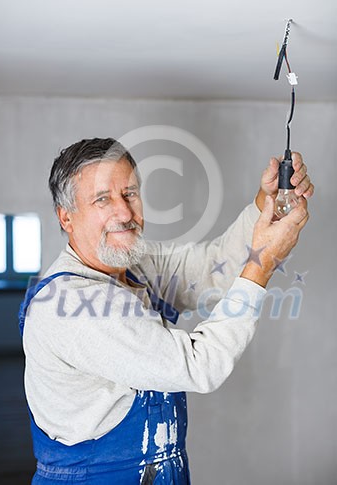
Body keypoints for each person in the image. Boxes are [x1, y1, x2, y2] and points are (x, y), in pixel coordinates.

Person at [19, 137, 313, 484]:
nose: (125, 213)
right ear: (66, 217)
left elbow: (214, 267)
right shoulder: (69, 304)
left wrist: (266, 204)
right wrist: (261, 262)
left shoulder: (133, 265)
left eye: (129, 193)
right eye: (102, 199)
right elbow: (199, 365)